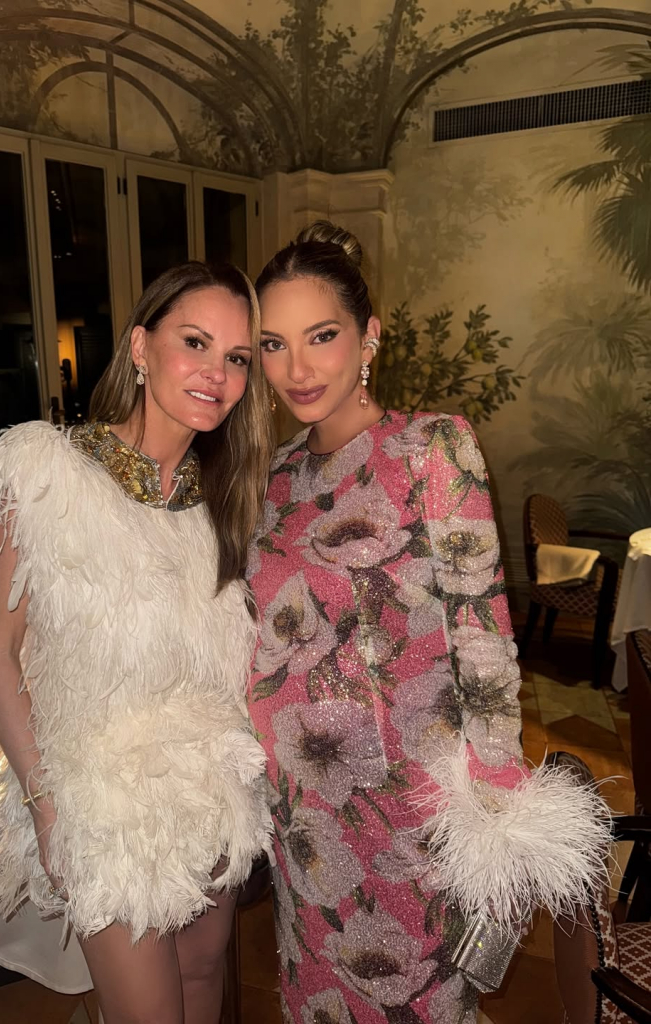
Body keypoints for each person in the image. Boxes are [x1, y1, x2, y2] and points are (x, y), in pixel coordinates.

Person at [246, 222, 609, 1024]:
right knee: (318, 1002)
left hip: (413, 812)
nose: (297, 368)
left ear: (368, 337)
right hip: (301, 813)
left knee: (419, 1004)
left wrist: (496, 791)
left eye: (322, 336)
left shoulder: (431, 447)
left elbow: (482, 630)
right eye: (273, 344)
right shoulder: (274, 476)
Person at [0, 261, 274, 1024]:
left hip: (210, 787)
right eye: (195, 342)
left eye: (237, 357)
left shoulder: (225, 504)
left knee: (203, 979)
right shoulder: (48, 473)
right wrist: (45, 806)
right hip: (96, 801)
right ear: (140, 346)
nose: (217, 373)